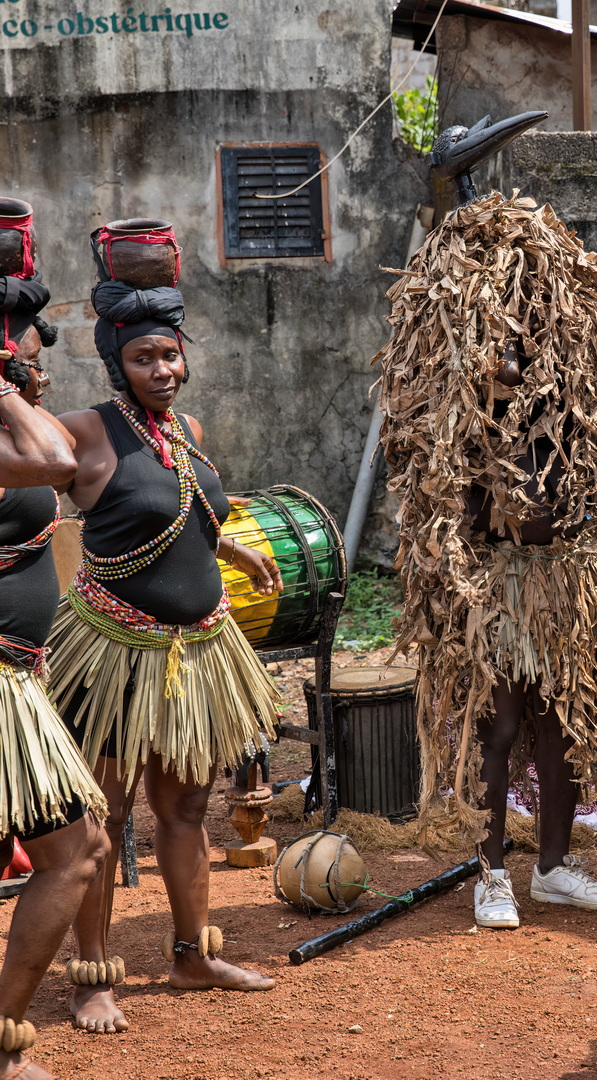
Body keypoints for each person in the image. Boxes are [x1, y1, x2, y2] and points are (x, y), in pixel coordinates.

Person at [376, 189, 597, 929]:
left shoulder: (570, 403)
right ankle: (491, 873)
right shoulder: (461, 412)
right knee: (497, 725)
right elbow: (441, 484)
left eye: (522, 339)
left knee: (564, 726)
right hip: (497, 585)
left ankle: (552, 867)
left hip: (566, 583)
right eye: (496, 340)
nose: (511, 352)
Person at [46, 279, 282, 1034]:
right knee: (103, 819)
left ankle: (192, 954)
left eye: (171, 356)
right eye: (145, 358)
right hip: (112, 655)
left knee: (183, 807)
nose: (163, 370)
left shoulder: (185, 431)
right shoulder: (84, 432)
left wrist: (234, 551)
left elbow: (184, 512)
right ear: (118, 363)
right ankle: (92, 978)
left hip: (199, 652)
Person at [0, 307, 110, 1079]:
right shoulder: (13, 432)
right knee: (75, 853)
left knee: (82, 849)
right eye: (24, 362)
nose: (34, 376)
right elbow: (52, 459)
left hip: (16, 684)